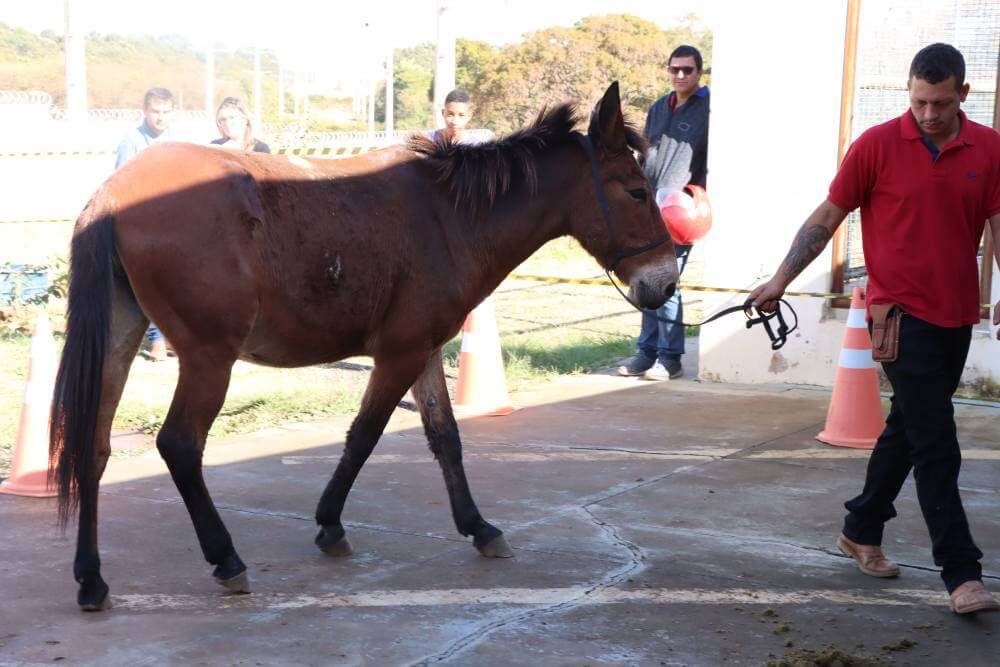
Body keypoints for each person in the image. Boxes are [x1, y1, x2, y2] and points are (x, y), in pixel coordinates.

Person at [749, 43, 1000, 615]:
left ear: (963, 94)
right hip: (897, 315)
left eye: (940, 103)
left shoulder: (989, 148)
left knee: (908, 428)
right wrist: (781, 279)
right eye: (919, 102)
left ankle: (861, 528)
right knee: (936, 440)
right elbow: (827, 216)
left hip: (956, 314)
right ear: (908, 91)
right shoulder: (876, 145)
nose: (928, 114)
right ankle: (962, 573)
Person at [618, 45, 710, 381]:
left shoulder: (711, 108)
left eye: (688, 69)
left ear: (700, 72)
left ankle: (670, 358)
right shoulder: (658, 107)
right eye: (675, 69)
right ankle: (646, 352)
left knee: (666, 281)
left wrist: (696, 198)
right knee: (646, 279)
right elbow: (645, 152)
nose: (680, 75)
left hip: (681, 210)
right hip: (649, 208)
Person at [115, 87, 175, 361]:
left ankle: (174, 338)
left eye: (165, 112)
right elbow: (120, 183)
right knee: (149, 284)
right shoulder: (132, 141)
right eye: (155, 112)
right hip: (142, 223)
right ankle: (157, 340)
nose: (160, 117)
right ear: (145, 111)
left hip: (173, 222)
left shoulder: (177, 142)